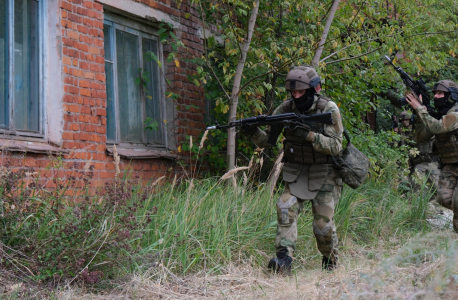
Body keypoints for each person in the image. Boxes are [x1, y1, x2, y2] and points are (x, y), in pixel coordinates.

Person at [243, 66, 344, 273]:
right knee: (285, 206)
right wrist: (253, 130)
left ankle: (330, 261)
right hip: (297, 171)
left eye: (301, 92)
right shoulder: (285, 108)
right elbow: (267, 142)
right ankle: (283, 261)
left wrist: (309, 135)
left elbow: (336, 146)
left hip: (325, 172)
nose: (297, 96)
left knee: (322, 225)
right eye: (293, 92)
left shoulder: (328, 108)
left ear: (313, 89)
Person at [405, 80, 458, 231]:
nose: (436, 97)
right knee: (443, 198)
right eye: (435, 94)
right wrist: (420, 114)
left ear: (451, 96)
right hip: (450, 164)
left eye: (440, 93)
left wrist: (420, 109)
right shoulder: (438, 116)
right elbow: (422, 138)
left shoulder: (456, 114)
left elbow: (438, 127)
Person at [398, 111, 440, 196]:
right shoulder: (411, 133)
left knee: (438, 188)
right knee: (415, 185)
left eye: (406, 119)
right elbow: (405, 147)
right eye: (402, 120)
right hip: (419, 162)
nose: (404, 121)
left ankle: (430, 201)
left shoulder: (432, 129)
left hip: (432, 162)